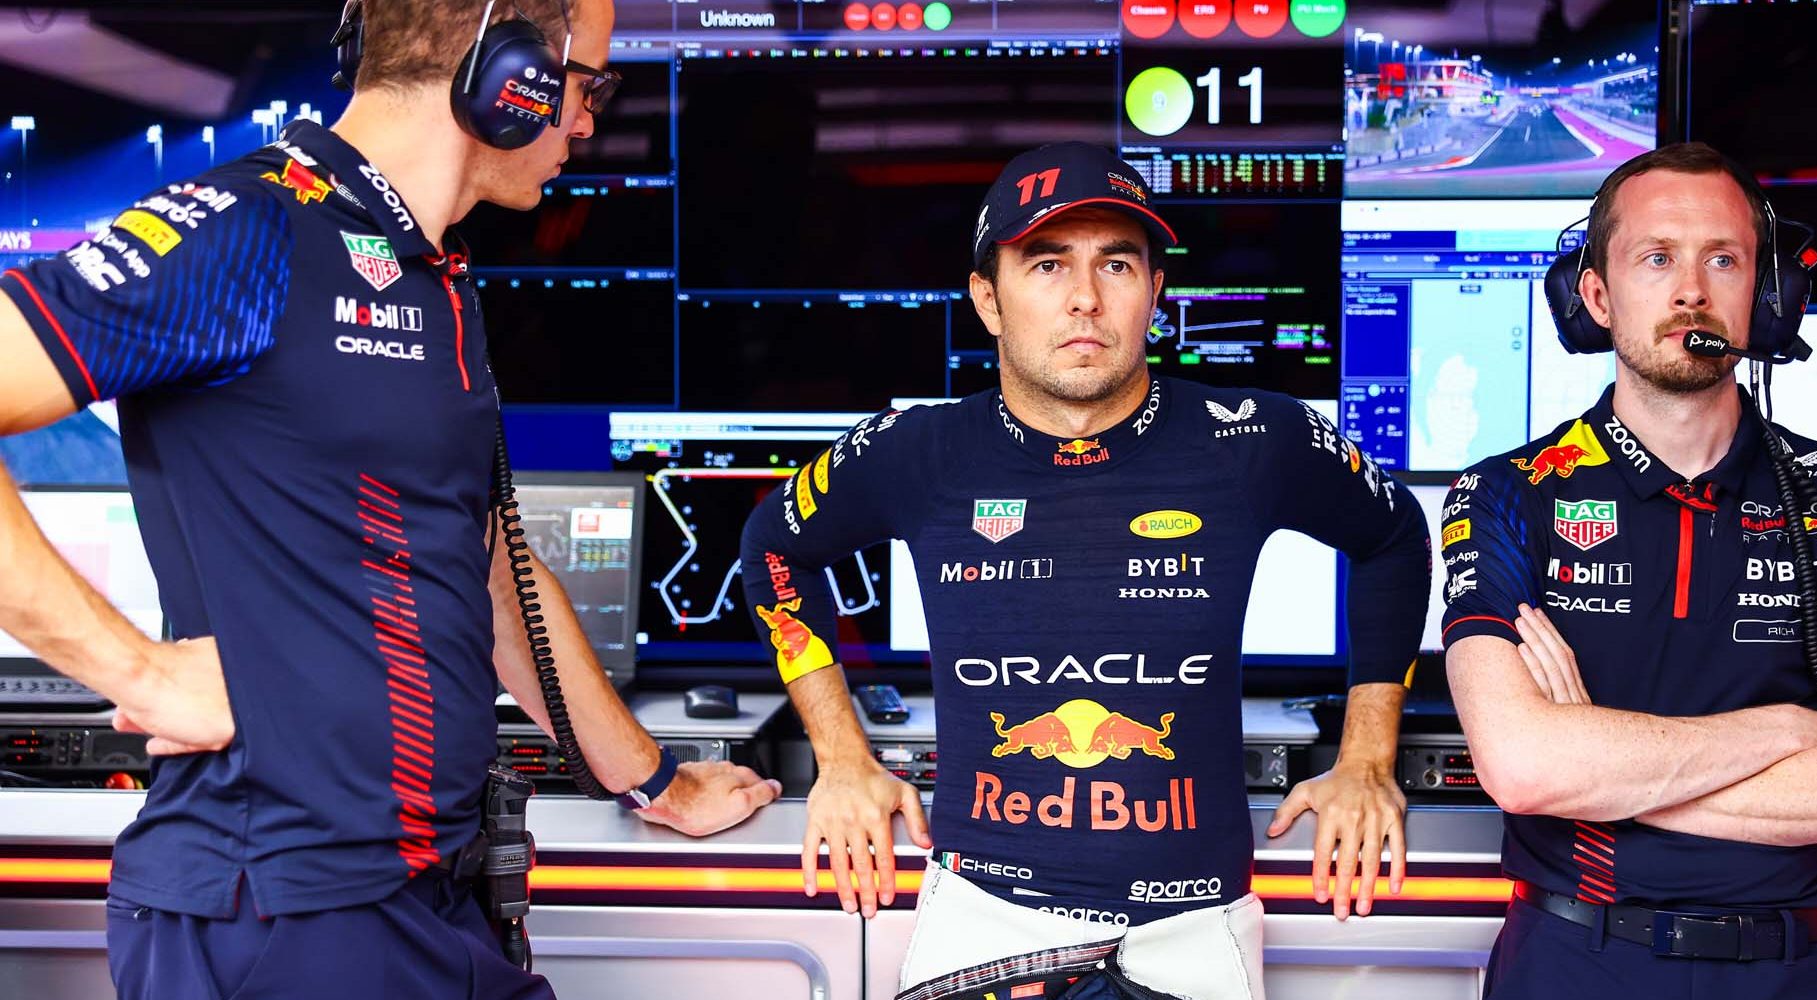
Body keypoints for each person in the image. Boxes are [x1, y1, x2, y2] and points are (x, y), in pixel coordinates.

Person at [0, 2, 779, 997]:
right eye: (590, 85)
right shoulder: (249, 228)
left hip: (428, 901)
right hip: (278, 910)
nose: (588, 124)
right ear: (509, 72)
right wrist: (136, 671)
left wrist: (655, 780)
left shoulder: (430, 276)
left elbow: (493, 570)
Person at [738, 142, 1431, 1000]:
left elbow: (1396, 536)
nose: (1085, 298)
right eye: (1046, 263)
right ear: (987, 299)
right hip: (981, 917)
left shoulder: (1258, 437)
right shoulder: (917, 450)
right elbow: (772, 547)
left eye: (1117, 263)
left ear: (1156, 294)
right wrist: (841, 756)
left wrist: (1368, 754)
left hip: (1195, 924)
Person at [1440, 142, 1817, 1000]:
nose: (1690, 288)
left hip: (1802, 970)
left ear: (1765, 295)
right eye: (1656, 257)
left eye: (1723, 259)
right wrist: (1789, 729)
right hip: (1576, 960)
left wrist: (1602, 768)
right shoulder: (1507, 494)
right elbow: (1522, 769)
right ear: (1597, 293)